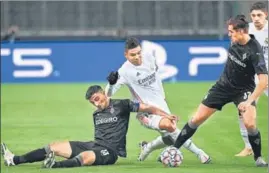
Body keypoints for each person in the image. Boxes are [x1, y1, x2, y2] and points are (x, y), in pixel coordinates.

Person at [1, 85, 177, 168]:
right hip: (95, 144)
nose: (96, 104)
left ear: (103, 94)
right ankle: (14, 160)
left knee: (85, 157)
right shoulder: (96, 114)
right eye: (93, 102)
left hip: (111, 152)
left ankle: (54, 166)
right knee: (53, 146)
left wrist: (166, 115)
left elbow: (148, 107)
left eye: (98, 99)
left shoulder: (122, 105)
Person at [172, 15, 268, 167]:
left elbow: (263, 82)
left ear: (242, 31)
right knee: (197, 119)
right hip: (223, 86)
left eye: (231, 31)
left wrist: (249, 102)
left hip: (243, 90)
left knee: (250, 123)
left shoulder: (254, 51)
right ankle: (173, 149)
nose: (229, 34)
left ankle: (258, 158)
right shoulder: (235, 39)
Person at [106, 37, 211, 163]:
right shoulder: (124, 71)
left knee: (168, 138)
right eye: (133, 55)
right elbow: (108, 94)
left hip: (161, 104)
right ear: (126, 54)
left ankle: (147, 147)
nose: (137, 57)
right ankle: (200, 153)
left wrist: (163, 96)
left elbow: (156, 76)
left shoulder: (149, 57)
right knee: (169, 126)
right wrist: (111, 83)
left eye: (139, 53)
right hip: (146, 111)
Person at [235, 1, 268, 157]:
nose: (256, 18)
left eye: (259, 15)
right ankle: (248, 146)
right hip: (253, 77)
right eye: (253, 15)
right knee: (243, 108)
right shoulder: (246, 30)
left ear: (266, 15)